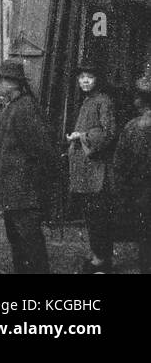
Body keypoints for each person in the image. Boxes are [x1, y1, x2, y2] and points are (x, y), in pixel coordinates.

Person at [0, 59, 57, 274]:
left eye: (3, 81)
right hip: (13, 192)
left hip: (25, 193)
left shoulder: (25, 109)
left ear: (14, 84)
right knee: (18, 243)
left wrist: (34, 185)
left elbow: (42, 151)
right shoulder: (14, 106)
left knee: (31, 244)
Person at [67, 58, 118, 274]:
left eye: (90, 77)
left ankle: (102, 262)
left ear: (96, 80)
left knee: (99, 217)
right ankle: (98, 256)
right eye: (82, 77)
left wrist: (83, 135)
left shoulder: (103, 101)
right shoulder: (88, 100)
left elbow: (109, 133)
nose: (85, 81)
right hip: (87, 171)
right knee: (93, 217)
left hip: (98, 172)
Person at [113, 75, 151, 275]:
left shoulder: (131, 127)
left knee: (145, 235)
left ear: (139, 101)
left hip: (140, 192)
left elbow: (120, 165)